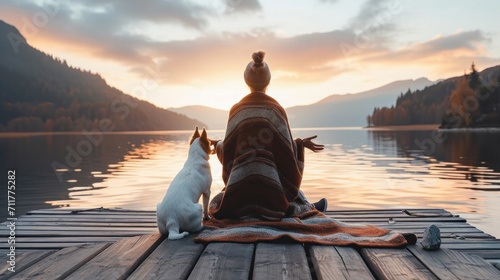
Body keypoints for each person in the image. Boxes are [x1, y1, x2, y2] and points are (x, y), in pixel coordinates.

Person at [209, 51, 325, 220]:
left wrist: (218, 145)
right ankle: (309, 207)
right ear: (268, 82)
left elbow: (229, 152)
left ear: (246, 81)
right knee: (289, 189)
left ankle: (307, 205)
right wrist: (299, 145)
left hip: (240, 197)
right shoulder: (276, 110)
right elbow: (285, 156)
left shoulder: (236, 111)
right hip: (272, 198)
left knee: (223, 195)